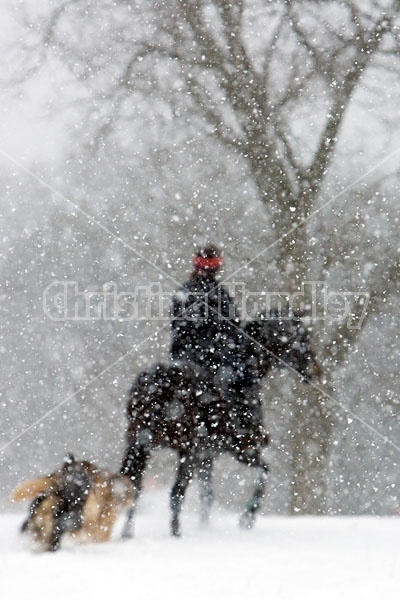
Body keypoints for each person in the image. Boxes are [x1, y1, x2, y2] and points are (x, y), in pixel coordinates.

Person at [170, 244, 264, 442]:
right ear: (216, 267)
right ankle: (246, 429)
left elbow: (178, 327)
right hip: (211, 357)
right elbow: (233, 327)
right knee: (247, 378)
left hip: (182, 356)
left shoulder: (183, 292)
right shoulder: (218, 294)